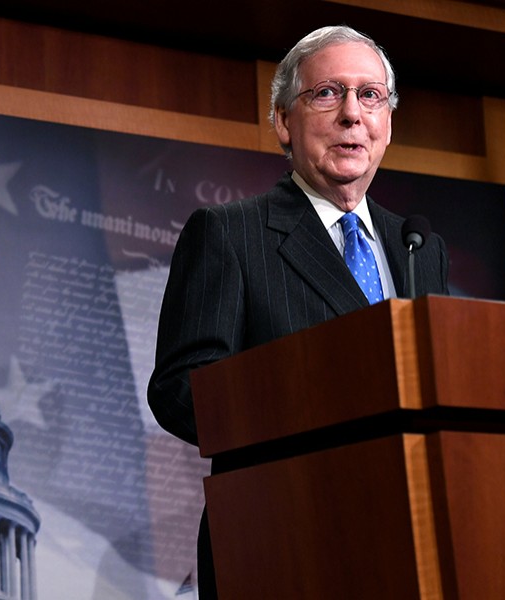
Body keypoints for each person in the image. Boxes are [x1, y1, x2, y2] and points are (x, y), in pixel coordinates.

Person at [147, 24, 449, 599]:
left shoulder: (419, 247)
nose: (352, 114)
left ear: (387, 123)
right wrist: (311, 402)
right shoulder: (230, 233)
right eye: (328, 93)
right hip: (282, 540)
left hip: (410, 540)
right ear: (284, 121)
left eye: (370, 95)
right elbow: (181, 389)